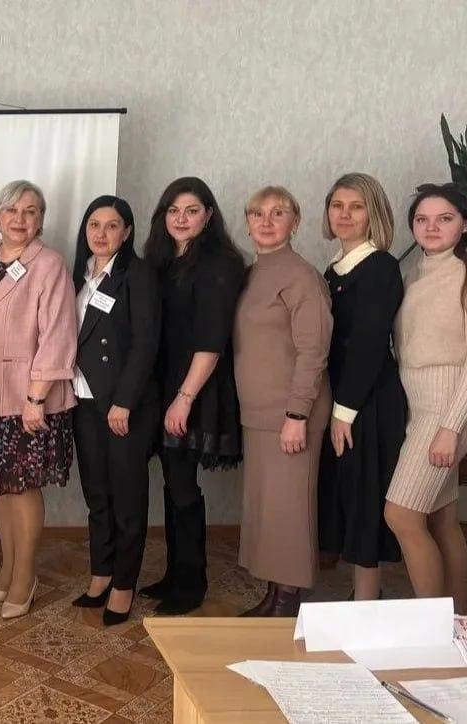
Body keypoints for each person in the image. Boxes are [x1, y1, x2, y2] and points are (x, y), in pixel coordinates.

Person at [0, 180, 77, 620]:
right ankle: (7, 572)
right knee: (1, 488)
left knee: (22, 487)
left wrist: (35, 398)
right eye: (11, 210)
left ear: (40, 219)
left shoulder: (49, 264)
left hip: (24, 399)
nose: (19, 219)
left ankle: (25, 578)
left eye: (30, 211)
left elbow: (59, 336)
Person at [385, 183, 467, 610]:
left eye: (445, 218)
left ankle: (432, 624)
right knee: (440, 518)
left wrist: (449, 428)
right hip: (421, 405)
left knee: (401, 514)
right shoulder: (415, 272)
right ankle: (455, 616)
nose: (432, 227)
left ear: (466, 224)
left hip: (452, 406)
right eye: (422, 219)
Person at [139, 177, 246, 615]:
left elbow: (211, 341)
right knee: (172, 480)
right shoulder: (163, 261)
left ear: (209, 216)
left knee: (183, 483)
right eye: (173, 210)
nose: (181, 219)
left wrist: (184, 397)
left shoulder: (219, 264)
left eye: (192, 210)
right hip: (167, 383)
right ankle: (175, 573)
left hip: (196, 386)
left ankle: (192, 581)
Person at [233, 187, 333, 618]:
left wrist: (297, 413)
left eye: (278, 213)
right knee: (269, 508)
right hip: (258, 412)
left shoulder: (301, 276)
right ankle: (275, 594)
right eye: (257, 213)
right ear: (247, 222)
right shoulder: (252, 273)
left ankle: (289, 600)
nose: (266, 221)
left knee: (289, 508)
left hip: (291, 413)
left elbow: (313, 350)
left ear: (296, 222)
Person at [66, 195, 161, 626]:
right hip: (84, 400)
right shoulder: (79, 274)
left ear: (127, 232)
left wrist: (124, 401)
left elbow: (146, 343)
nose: (101, 233)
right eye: (94, 225)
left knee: (127, 497)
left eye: (112, 225)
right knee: (97, 495)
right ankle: (101, 572)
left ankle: (124, 584)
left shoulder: (137, 274)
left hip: (123, 406)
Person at [316, 173, 406, 601]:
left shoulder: (380, 267)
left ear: (374, 214)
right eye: (337, 205)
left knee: (365, 497)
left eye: (356, 206)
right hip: (342, 398)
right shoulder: (334, 268)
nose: (345, 214)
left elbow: (369, 344)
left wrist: (344, 411)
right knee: (349, 495)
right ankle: (362, 597)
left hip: (365, 400)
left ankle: (368, 603)